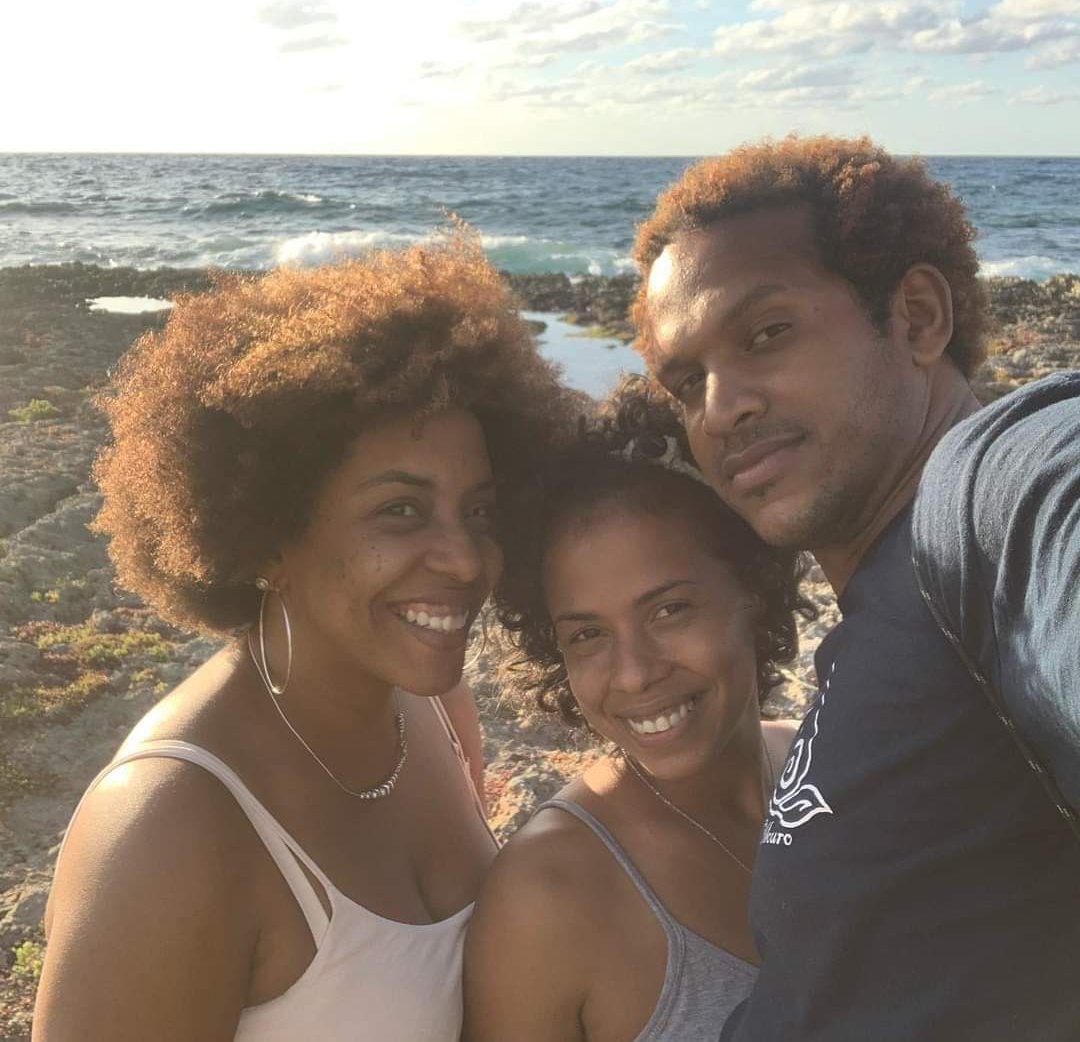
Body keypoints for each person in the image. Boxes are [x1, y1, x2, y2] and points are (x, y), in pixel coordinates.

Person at [33, 235, 575, 1041]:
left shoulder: (420, 705)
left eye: (480, 510)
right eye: (400, 509)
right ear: (268, 539)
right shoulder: (168, 824)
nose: (464, 558)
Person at [632, 134, 1080, 1040]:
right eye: (687, 382)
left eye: (766, 334)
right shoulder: (894, 604)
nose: (720, 409)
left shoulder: (989, 485)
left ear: (916, 316)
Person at [462, 378, 814, 1041]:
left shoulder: (824, 770)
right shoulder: (551, 894)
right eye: (587, 633)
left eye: (668, 608)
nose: (634, 672)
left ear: (755, 586)